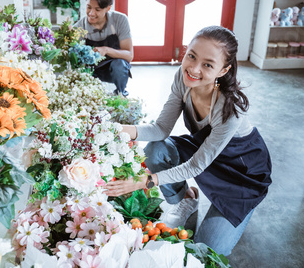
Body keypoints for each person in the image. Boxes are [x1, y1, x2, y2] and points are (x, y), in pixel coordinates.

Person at [104, 26, 272, 256]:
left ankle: (236, 209)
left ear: (224, 70)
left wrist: (145, 181)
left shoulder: (229, 108)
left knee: (204, 250)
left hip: (240, 175)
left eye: (208, 64)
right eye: (191, 56)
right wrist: (115, 129)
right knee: (156, 150)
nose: (193, 68)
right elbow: (160, 129)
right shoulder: (183, 80)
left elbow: (195, 166)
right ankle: (185, 199)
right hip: (205, 152)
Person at [74, 0, 133, 96]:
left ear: (108, 8)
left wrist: (106, 50)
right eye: (88, 7)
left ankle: (121, 94)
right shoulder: (80, 27)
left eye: (97, 10)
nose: (91, 13)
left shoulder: (120, 20)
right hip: (91, 71)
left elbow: (129, 55)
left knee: (120, 64)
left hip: (115, 70)